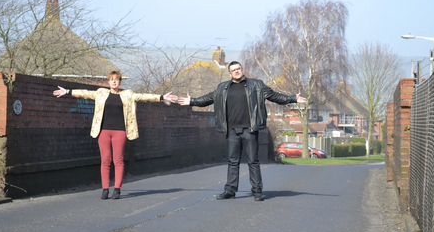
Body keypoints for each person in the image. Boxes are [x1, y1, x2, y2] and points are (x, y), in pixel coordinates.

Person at [177, 61, 306, 201]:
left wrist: (292, 98)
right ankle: (230, 191)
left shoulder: (257, 85)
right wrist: (192, 101)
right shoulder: (223, 87)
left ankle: (257, 192)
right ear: (230, 73)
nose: (237, 71)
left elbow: (274, 96)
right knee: (233, 161)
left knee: (253, 161)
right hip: (232, 131)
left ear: (242, 69)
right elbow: (208, 98)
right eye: (233, 70)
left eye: (238, 69)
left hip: (249, 130)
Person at [53, 71, 177, 200]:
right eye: (111, 79)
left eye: (116, 80)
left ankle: (117, 189)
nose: (114, 81)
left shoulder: (127, 95)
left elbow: (143, 96)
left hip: (120, 131)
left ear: (119, 82)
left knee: (118, 160)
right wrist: (67, 92)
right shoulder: (101, 93)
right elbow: (85, 93)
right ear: (108, 82)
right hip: (103, 132)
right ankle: (105, 189)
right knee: (105, 160)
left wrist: (162, 97)